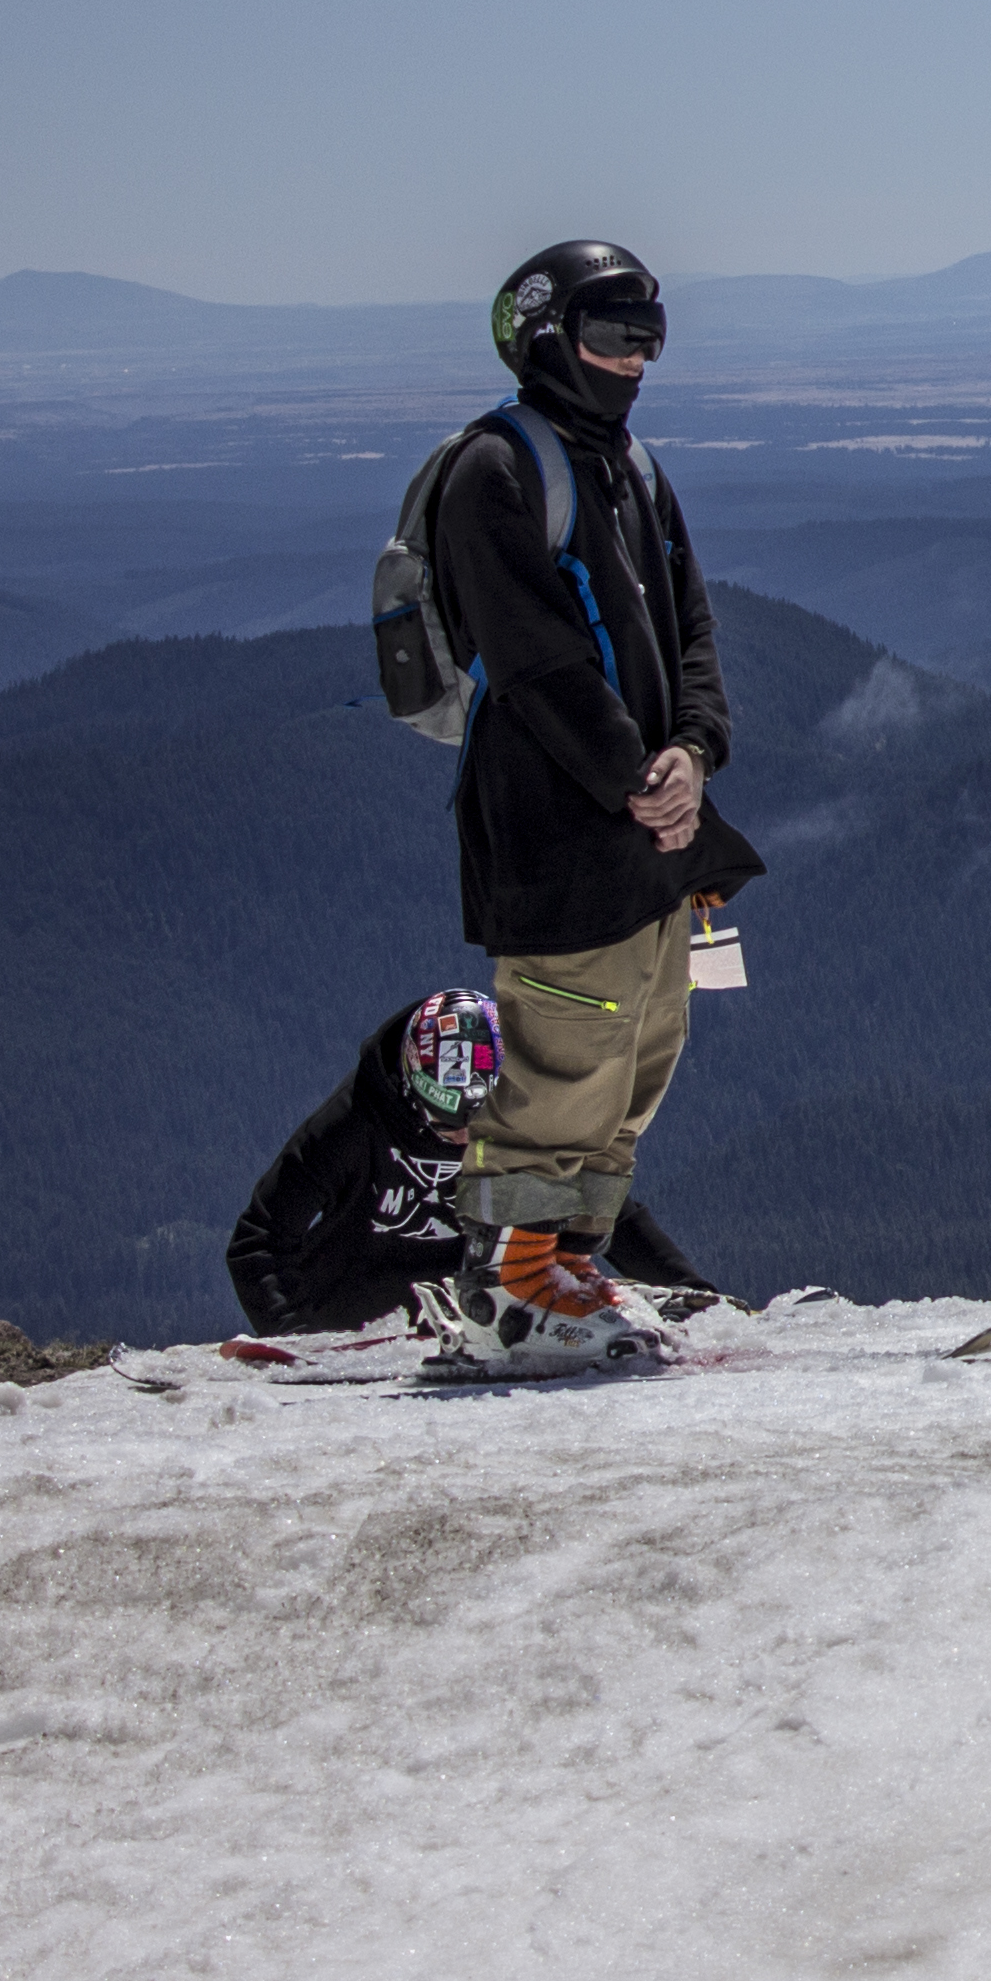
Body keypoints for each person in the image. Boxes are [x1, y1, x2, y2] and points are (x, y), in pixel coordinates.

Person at [425, 238, 762, 1369]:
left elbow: (693, 629)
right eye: (611, 333)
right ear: (541, 337)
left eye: (649, 337)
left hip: (647, 830)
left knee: (638, 1054)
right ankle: (506, 1289)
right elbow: (537, 662)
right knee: (565, 1056)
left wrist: (693, 756)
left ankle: (564, 1266)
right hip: (552, 832)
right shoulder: (496, 473)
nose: (634, 361)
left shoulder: (633, 470)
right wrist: (646, 779)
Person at [223, 990, 717, 1338]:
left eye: (480, 1125)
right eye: (444, 1122)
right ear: (409, 1088)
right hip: (351, 1315)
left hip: (478, 1314)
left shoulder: (525, 1119)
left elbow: (602, 1208)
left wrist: (691, 1291)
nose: (463, 1138)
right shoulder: (356, 1121)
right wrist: (296, 1339)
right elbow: (259, 1240)